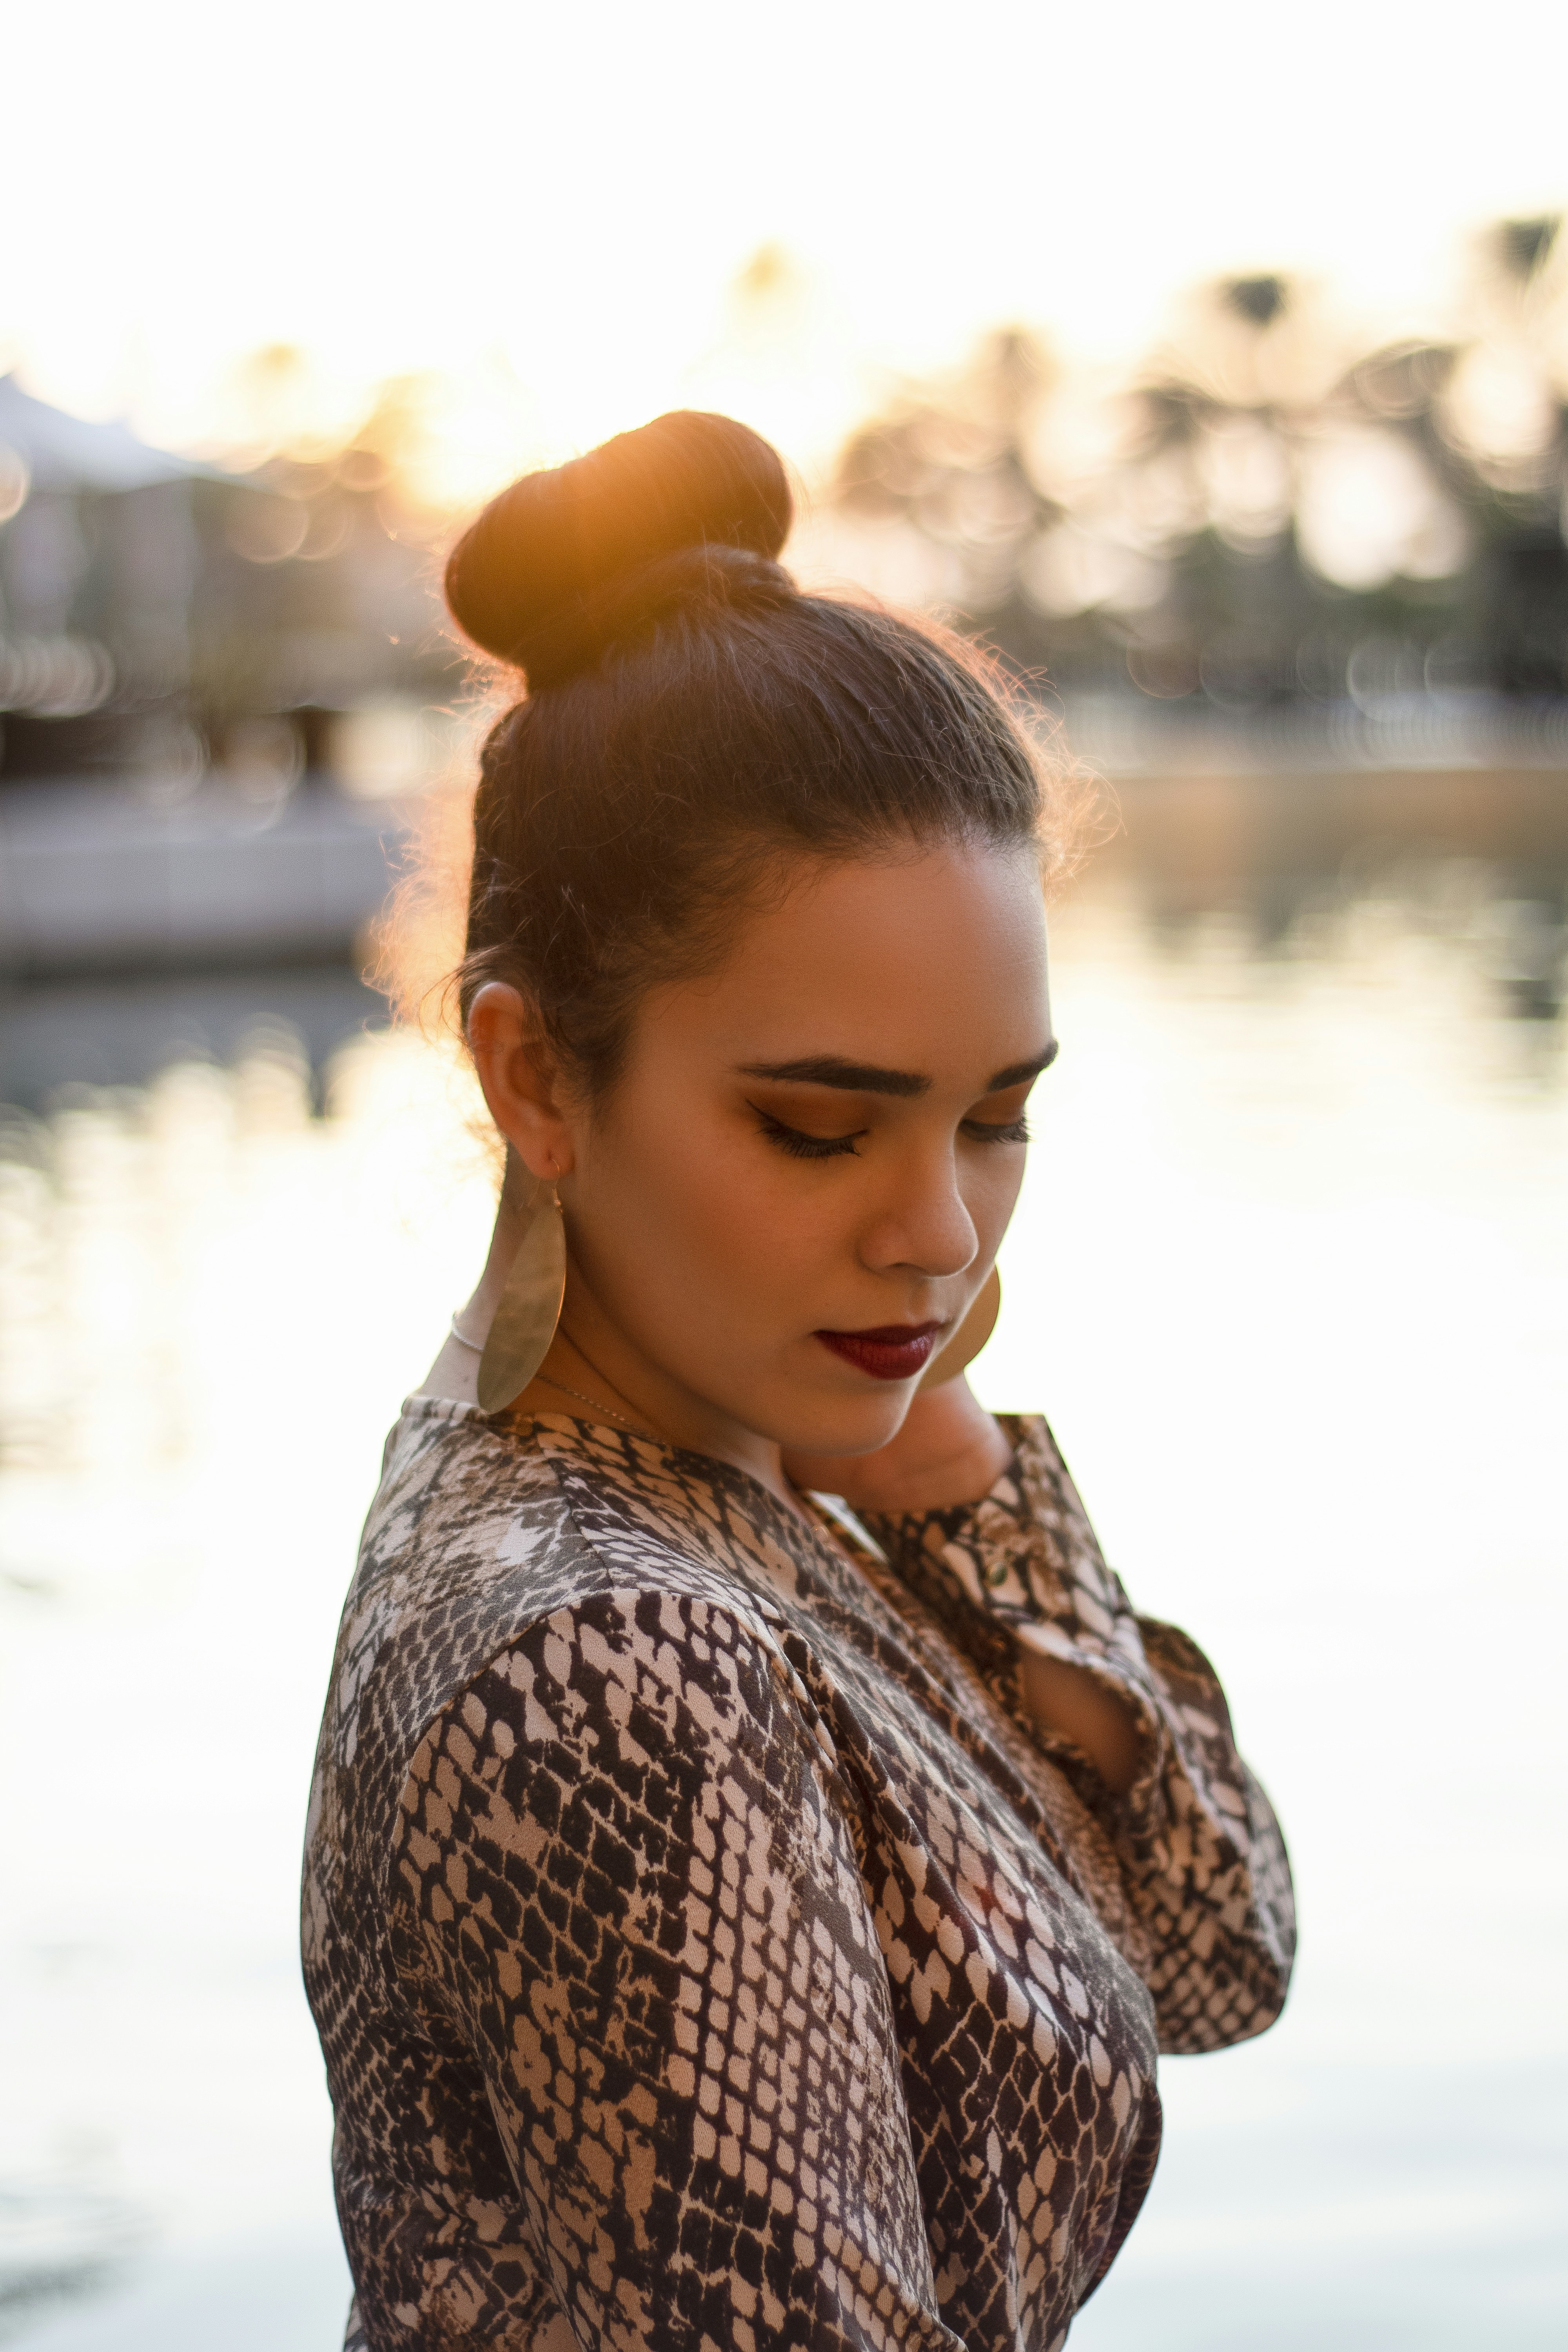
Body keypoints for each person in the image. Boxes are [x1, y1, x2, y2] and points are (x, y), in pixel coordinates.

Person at [302, 410, 1294, 2352]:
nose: (940, 1233)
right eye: (820, 1130)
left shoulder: (702, 1477)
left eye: (992, 1122)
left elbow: (1213, 1951)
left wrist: (984, 1506)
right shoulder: (611, 1660)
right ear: (538, 1080)